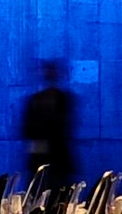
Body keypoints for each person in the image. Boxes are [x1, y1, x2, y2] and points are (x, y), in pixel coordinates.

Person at [20, 61, 79, 195]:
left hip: (52, 159)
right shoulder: (57, 99)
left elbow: (28, 130)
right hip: (53, 158)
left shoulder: (38, 100)